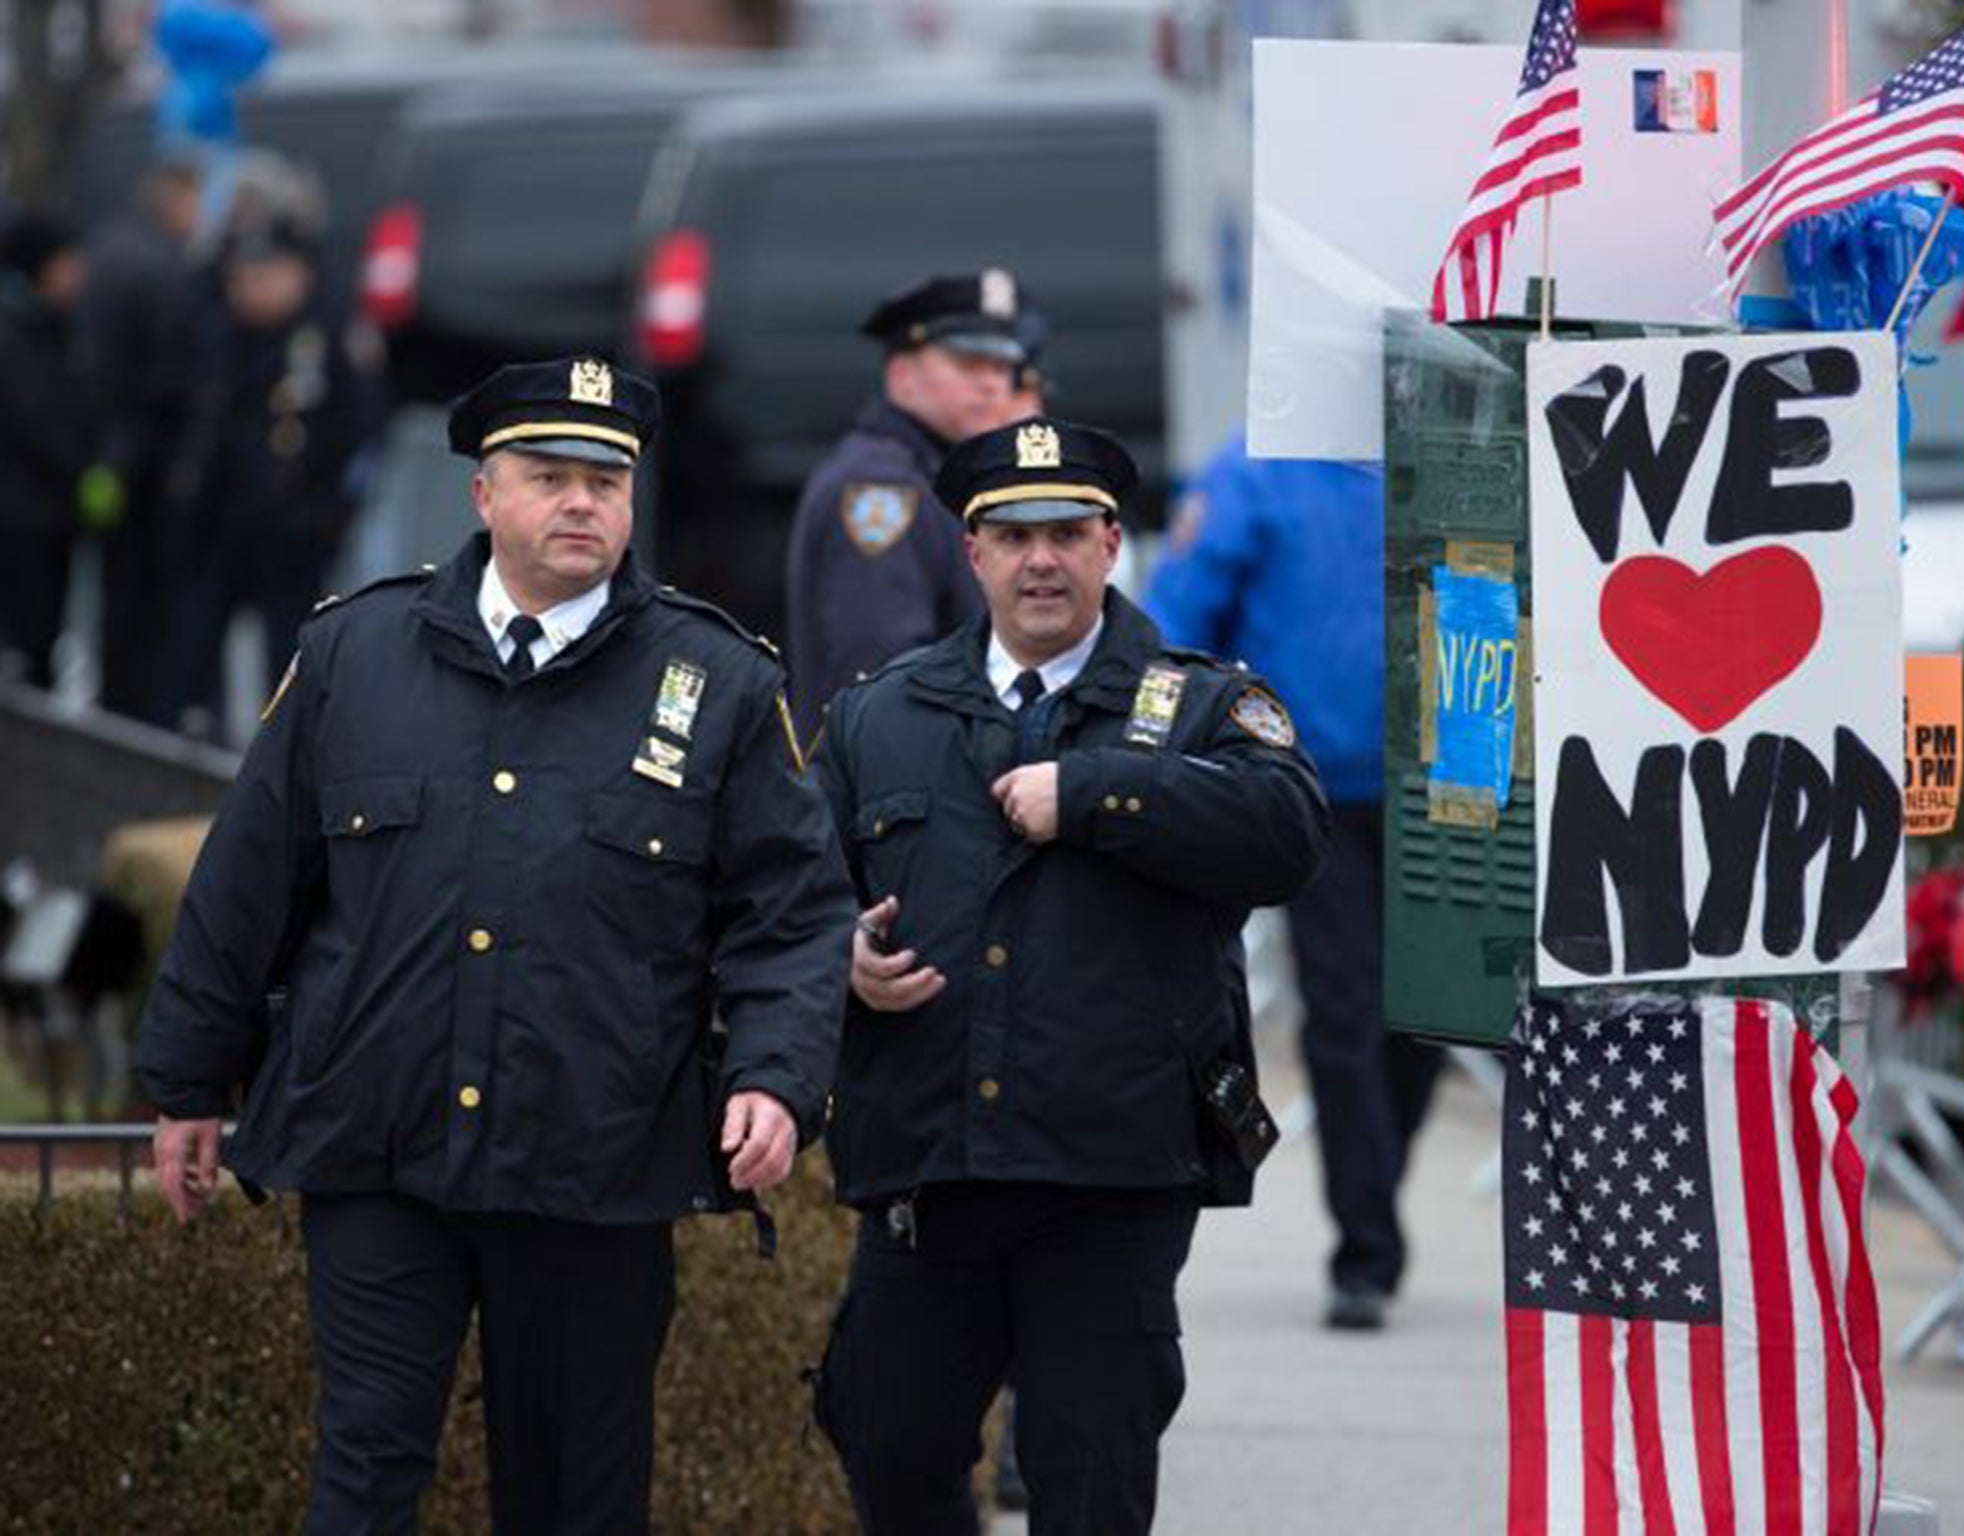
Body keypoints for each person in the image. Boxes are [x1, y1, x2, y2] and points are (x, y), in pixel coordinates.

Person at [134, 357, 853, 1536]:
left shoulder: (715, 682)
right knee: (364, 1472)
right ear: (482, 494)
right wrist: (184, 1081)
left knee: (576, 1492)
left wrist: (775, 1077)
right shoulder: (353, 655)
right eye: (549, 476)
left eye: (606, 481)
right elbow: (248, 880)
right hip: (378, 1144)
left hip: (595, 1160)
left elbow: (792, 914)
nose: (582, 503)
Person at [810, 416, 1329, 1535]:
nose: (1039, 560)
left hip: (1110, 1169)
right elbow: (791, 894)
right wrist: (836, 958)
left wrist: (1095, 795)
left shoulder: (1199, 704)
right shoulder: (879, 711)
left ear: (1108, 546)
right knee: (889, 1444)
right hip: (927, 1164)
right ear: (971, 551)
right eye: (1012, 535)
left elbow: (1288, 834)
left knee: (1085, 1473)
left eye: (1066, 533)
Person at [1144, 433, 1442, 1331]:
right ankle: (1366, 1248)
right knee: (1346, 1015)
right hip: (1309, 790)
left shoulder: (1445, 450)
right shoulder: (1256, 471)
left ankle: (1373, 1183)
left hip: (1440, 787)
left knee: (1425, 1016)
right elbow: (1180, 621)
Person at [153, 192, 370, 738]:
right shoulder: (214, 331)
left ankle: (289, 745)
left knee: (291, 650)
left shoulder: (327, 335)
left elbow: (361, 429)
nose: (255, 289)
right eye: (245, 277)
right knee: (193, 642)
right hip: (218, 518)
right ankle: (189, 731)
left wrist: (330, 512)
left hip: (295, 524)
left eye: (269, 275)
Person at [784, 269, 1030, 743]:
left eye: (1001, 368)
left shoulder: (937, 476)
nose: (991, 385)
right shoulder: (882, 488)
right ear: (902, 374)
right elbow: (883, 677)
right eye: (968, 363)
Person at [80, 156, 204, 717]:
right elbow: (167, 380)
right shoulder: (164, 269)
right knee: (146, 604)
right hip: (147, 464)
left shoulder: (103, 250)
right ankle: (137, 714)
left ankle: (109, 706)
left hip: (98, 449)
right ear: (176, 200)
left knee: (111, 598)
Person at [0, 212, 97, 689]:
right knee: (26, 638)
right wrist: (82, 466)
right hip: (22, 515)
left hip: (53, 512)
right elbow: (33, 418)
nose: (79, 272)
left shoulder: (64, 326)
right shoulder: (16, 332)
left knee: (46, 638)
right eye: (68, 262)